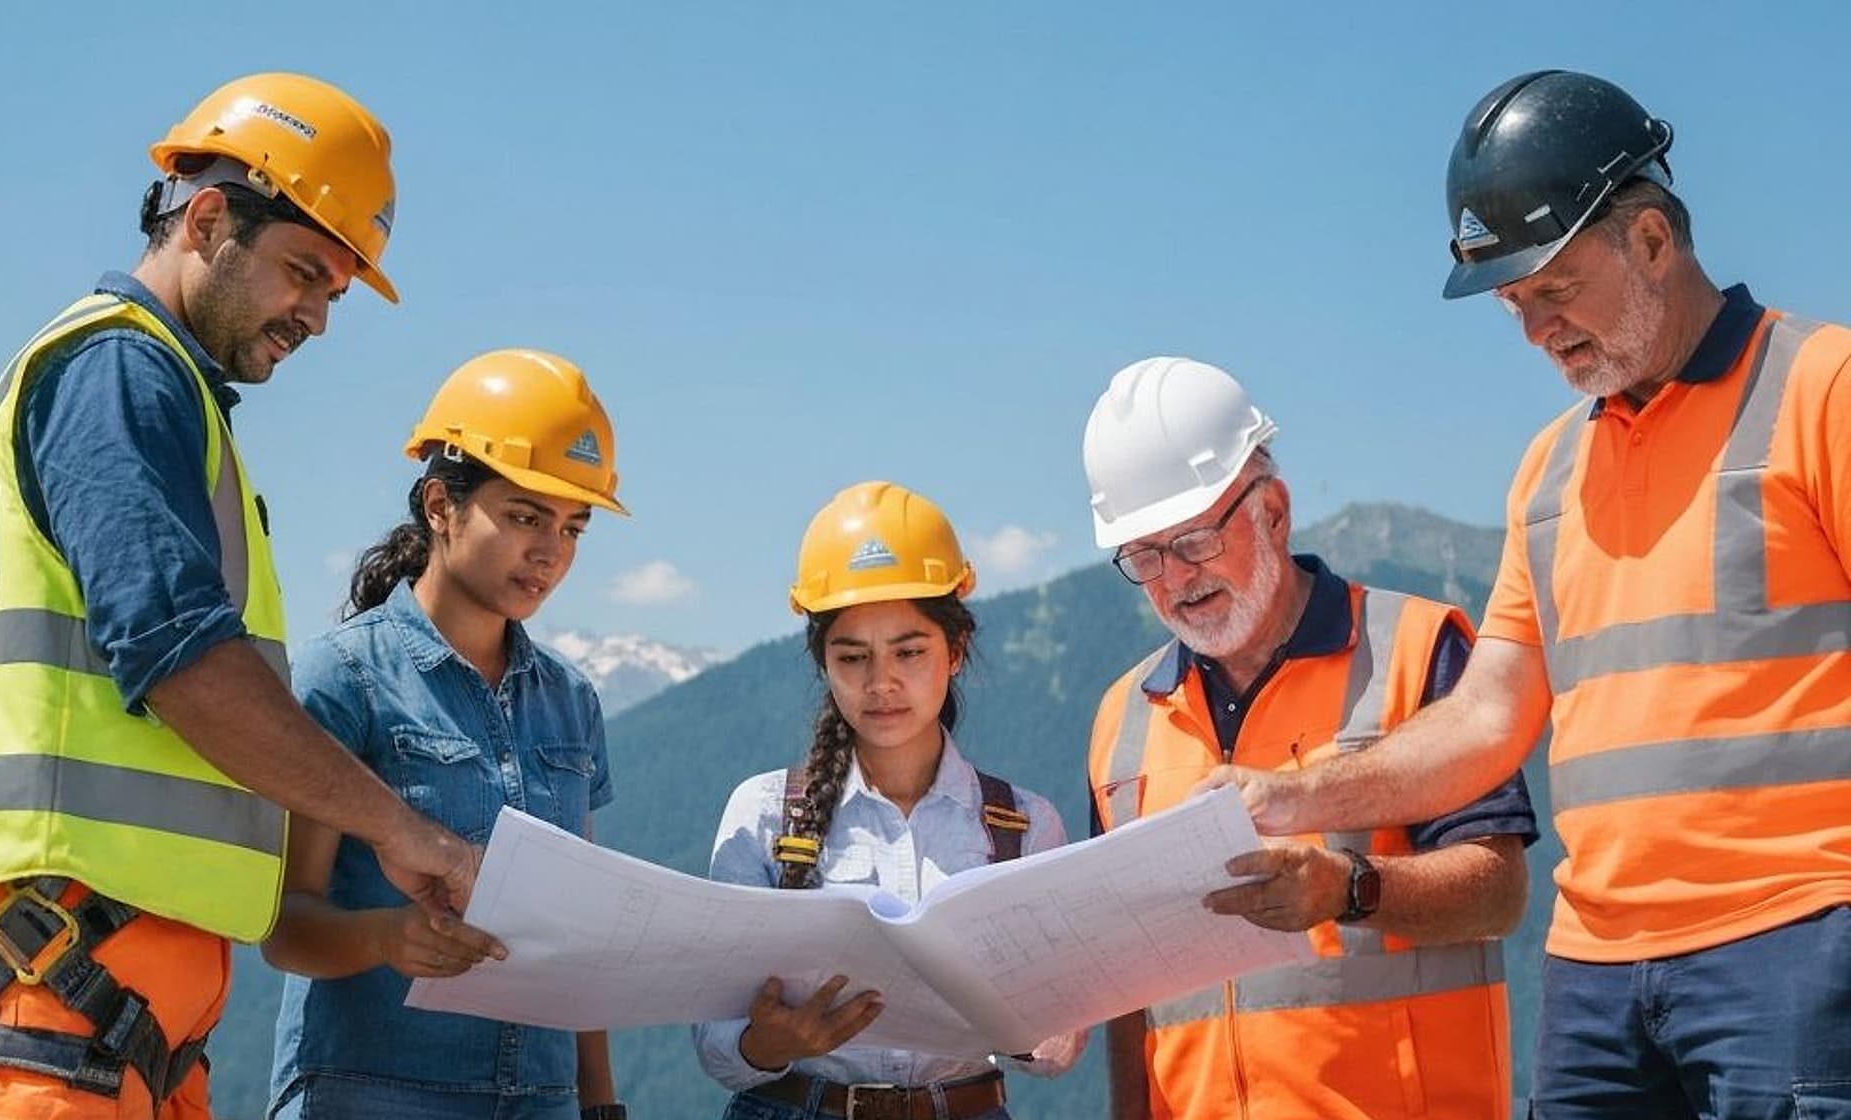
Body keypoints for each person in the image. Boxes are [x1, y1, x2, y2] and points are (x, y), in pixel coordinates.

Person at [1211, 70, 1851, 1118]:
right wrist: (1288, 794)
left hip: (1798, 943)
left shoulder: (1822, 386)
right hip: (1595, 971)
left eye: (1553, 289)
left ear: (1652, 240)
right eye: (1515, 304)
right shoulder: (1549, 472)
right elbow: (1488, 714)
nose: (1535, 331)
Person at [0, 73, 478, 1119]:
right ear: (212, 219)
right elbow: (183, 659)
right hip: (45, 988)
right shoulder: (118, 375)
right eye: (304, 272)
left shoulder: (171, 398)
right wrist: (403, 831)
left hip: (110, 1002)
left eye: (336, 291)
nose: (316, 314)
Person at [1082, 356, 1536, 1119]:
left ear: (1274, 512)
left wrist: (1349, 890)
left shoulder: (1415, 649)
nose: (1174, 578)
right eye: (1144, 556)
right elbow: (1128, 984)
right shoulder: (1121, 718)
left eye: (1193, 539)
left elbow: (1499, 892)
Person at [263, 349, 629, 1120]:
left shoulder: (571, 701)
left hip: (543, 1099)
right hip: (372, 1092)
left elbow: (578, 933)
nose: (550, 552)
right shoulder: (343, 676)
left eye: (572, 528)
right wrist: (384, 937)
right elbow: (285, 926)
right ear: (440, 505)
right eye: (526, 516)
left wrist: (599, 1103)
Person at [692, 481, 1084, 1120]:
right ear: (823, 662)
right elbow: (715, 1046)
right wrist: (769, 1044)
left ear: (954, 650)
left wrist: (1029, 1028)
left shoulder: (1026, 826)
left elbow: (1059, 1049)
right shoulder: (762, 814)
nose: (882, 683)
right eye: (853, 657)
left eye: (909, 651)